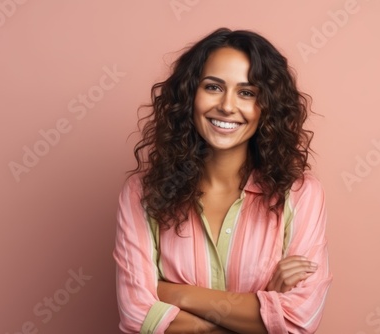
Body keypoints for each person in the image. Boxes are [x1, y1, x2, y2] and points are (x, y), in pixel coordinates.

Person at [113, 27, 333, 334]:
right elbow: (137, 318)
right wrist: (262, 305)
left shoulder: (300, 194)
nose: (227, 106)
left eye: (247, 92)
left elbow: (299, 320)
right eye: (213, 87)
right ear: (190, 96)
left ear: (267, 106)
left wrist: (173, 292)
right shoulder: (142, 194)